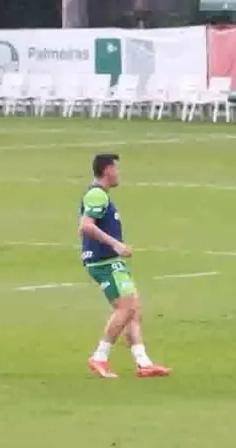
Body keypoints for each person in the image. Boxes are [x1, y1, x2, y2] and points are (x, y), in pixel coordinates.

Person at [81, 153, 170, 379]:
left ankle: (143, 362)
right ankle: (99, 356)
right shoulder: (96, 195)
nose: (118, 174)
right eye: (116, 169)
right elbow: (86, 226)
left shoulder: (101, 195)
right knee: (126, 309)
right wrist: (116, 244)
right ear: (108, 170)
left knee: (134, 310)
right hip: (104, 262)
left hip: (111, 261)